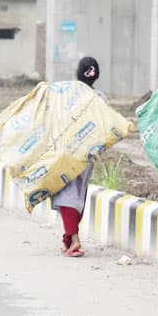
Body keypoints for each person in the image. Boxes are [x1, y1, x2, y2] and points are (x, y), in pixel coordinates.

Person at [53, 56, 102, 258]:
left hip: (68, 152)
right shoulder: (100, 97)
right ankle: (69, 238)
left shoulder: (68, 95)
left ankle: (74, 240)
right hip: (88, 154)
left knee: (67, 195)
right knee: (78, 194)